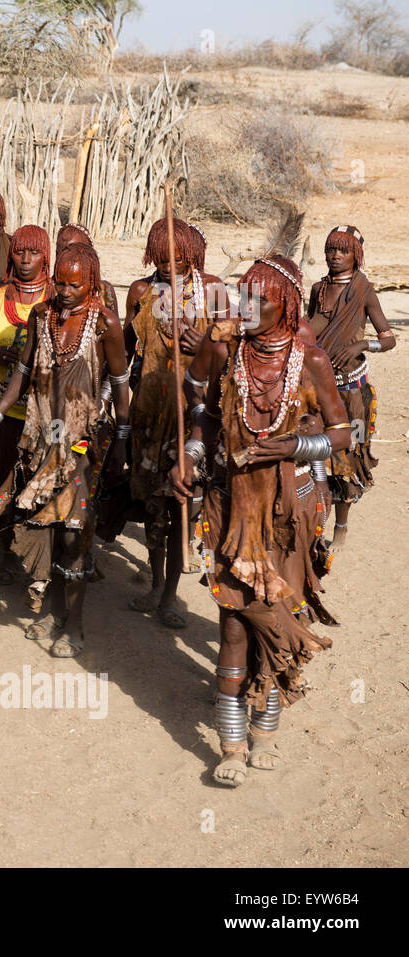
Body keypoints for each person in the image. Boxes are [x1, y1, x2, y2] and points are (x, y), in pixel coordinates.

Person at [171, 256, 348, 787]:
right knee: (231, 624)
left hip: (286, 512)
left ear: (287, 305)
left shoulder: (309, 361)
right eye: (241, 297)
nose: (244, 309)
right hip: (231, 508)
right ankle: (230, 745)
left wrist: (294, 444)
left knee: (276, 618)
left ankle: (266, 731)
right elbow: (197, 402)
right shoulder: (223, 349)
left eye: (259, 301)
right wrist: (191, 454)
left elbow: (345, 432)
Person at [0, 243, 130, 659]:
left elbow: (119, 382)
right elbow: (23, 373)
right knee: (45, 527)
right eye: (60, 283)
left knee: (74, 531)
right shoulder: (41, 315)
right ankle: (51, 608)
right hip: (40, 436)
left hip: (82, 443)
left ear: (92, 283)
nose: (64, 291)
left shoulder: (105, 324)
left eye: (75, 285)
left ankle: (75, 623)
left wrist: (122, 435)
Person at [125, 218, 228, 628]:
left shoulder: (215, 289)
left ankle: (170, 596)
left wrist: (203, 344)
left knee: (180, 502)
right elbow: (125, 348)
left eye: (178, 256)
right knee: (153, 507)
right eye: (161, 255)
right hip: (150, 414)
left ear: (193, 254)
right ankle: (154, 583)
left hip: (194, 417)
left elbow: (239, 343)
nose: (169, 263)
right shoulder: (140, 291)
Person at [0, 224, 53, 584]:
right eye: (19, 252)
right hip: (0, 409)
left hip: (40, 413)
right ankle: (1, 550)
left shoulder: (54, 301)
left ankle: (31, 557)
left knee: (33, 484)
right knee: (1, 478)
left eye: (33, 253)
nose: (25, 260)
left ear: (45, 256)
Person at [306, 225, 394, 550]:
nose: (335, 256)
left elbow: (389, 339)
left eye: (342, 251)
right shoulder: (318, 289)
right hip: (318, 386)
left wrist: (361, 346)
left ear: (355, 255)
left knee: (351, 457)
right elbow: (310, 327)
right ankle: (315, 525)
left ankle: (341, 529)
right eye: (330, 249)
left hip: (353, 392)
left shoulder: (364, 291)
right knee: (315, 453)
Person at [55, 224, 117, 314]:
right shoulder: (48, 288)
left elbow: (114, 323)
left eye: (74, 252)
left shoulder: (105, 291)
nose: (65, 258)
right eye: (60, 252)